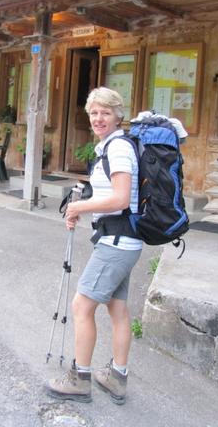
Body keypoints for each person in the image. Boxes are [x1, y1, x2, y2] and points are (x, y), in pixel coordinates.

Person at [45, 87, 142, 405]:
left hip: (116, 244)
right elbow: (108, 195)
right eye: (94, 112)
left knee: (81, 306)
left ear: (118, 116)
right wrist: (82, 205)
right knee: (117, 309)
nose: (98, 118)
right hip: (123, 241)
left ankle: (80, 379)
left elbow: (121, 198)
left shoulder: (119, 148)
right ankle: (117, 377)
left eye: (105, 112)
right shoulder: (109, 147)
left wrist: (78, 207)